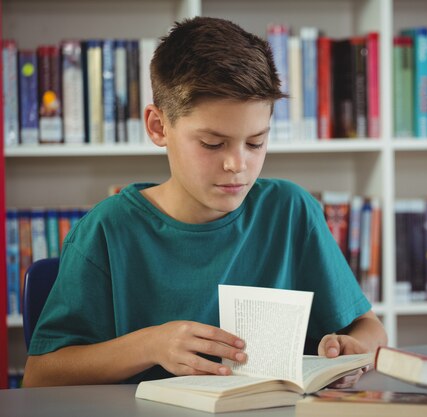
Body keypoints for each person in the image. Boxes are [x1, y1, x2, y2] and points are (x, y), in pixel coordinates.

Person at [23, 16, 387, 387]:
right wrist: (150, 345)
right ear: (158, 127)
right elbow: (40, 376)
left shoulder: (291, 211)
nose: (238, 165)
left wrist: (351, 350)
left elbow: (369, 328)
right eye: (213, 144)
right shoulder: (107, 230)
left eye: (256, 142)